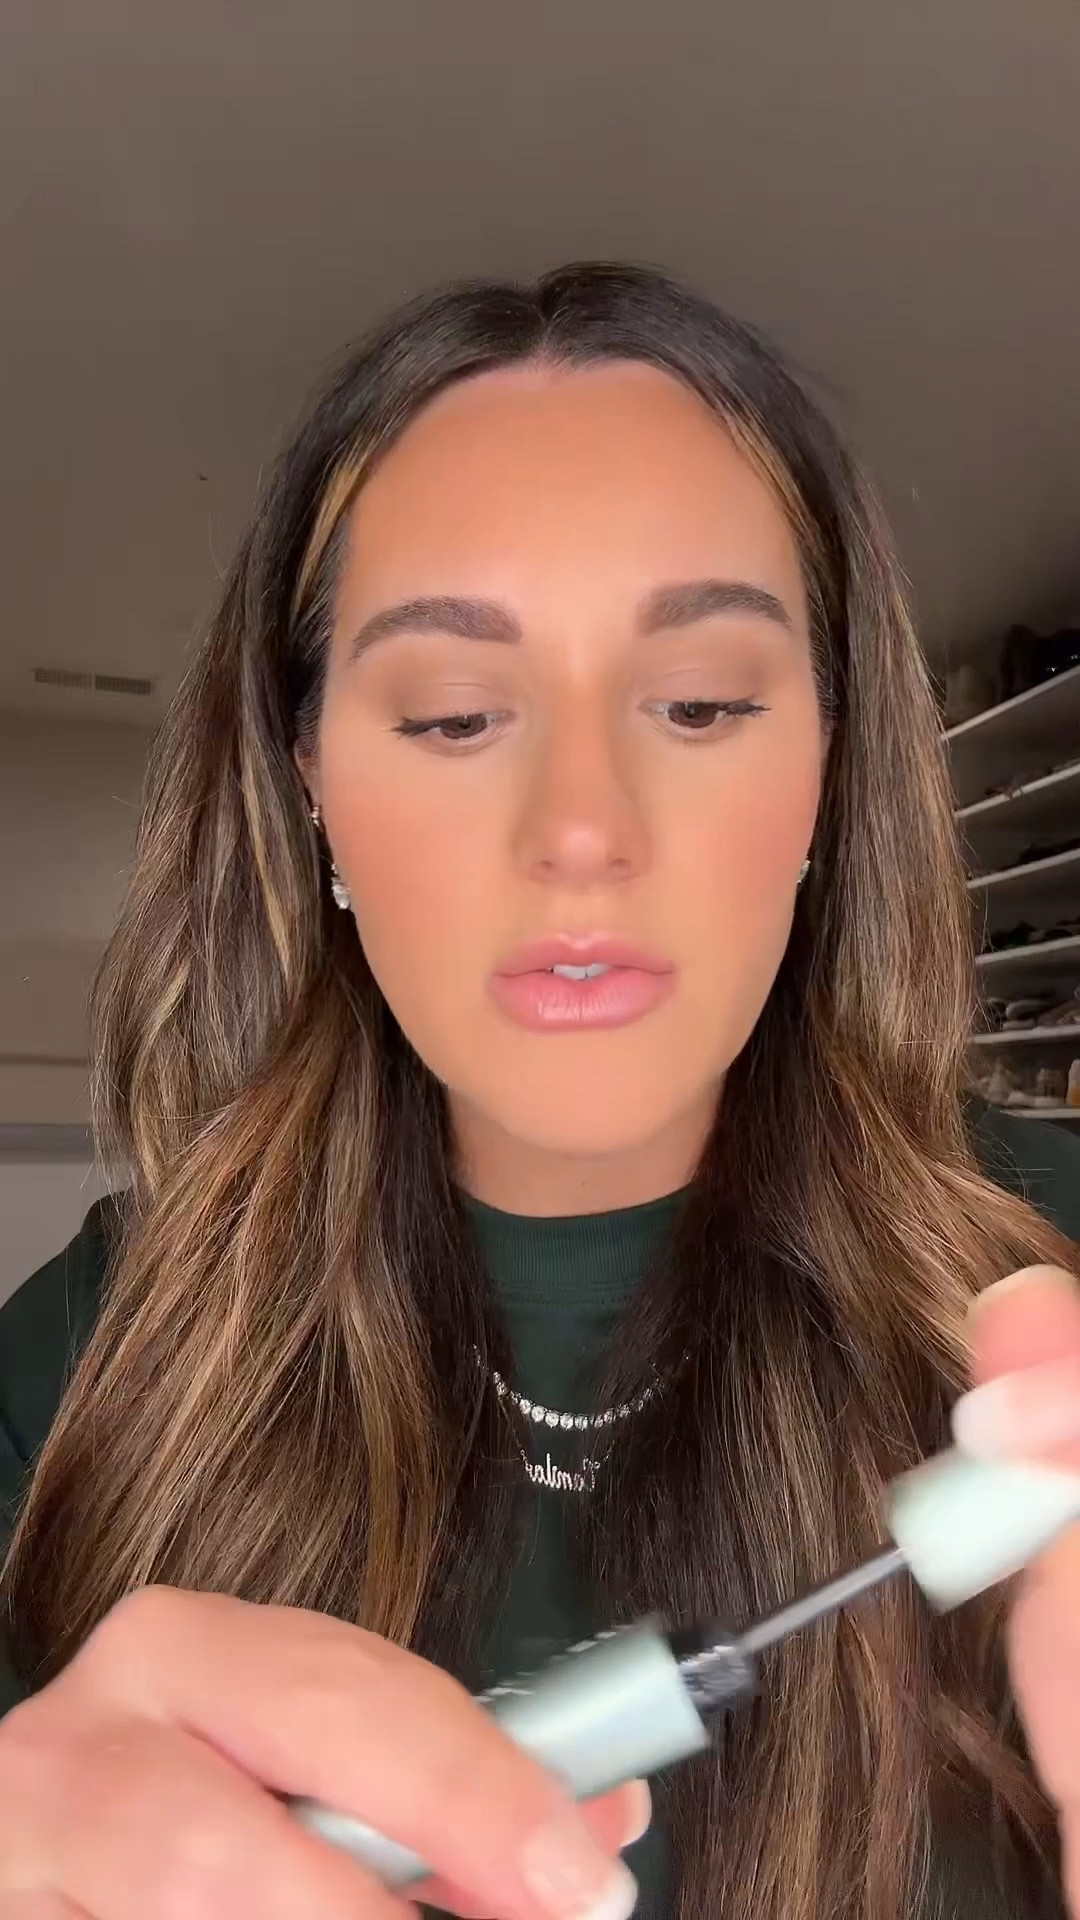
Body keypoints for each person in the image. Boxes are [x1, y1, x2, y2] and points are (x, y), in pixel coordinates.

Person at [0, 262, 1077, 1920]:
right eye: (452, 717)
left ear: (828, 771)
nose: (582, 827)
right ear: (310, 784)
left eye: (701, 703)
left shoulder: (1052, 1284)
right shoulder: (89, 1356)